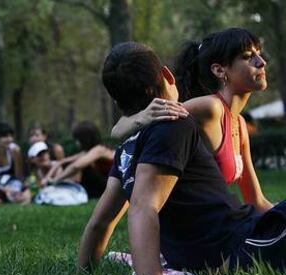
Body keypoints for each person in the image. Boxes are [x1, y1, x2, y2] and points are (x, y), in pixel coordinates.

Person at [78, 41, 286, 275]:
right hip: (242, 244)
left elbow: (100, 223)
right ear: (167, 75)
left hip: (232, 244)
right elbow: (143, 207)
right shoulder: (175, 124)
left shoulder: (127, 149)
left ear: (117, 103)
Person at [111, 28, 272, 213]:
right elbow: (117, 131)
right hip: (195, 228)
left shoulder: (241, 125)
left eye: (259, 54)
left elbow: (256, 201)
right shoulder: (210, 108)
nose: (261, 62)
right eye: (247, 56)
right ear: (219, 70)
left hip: (220, 221)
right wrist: (144, 116)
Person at [50, 121, 114, 198]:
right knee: (79, 163)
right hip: (107, 183)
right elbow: (62, 162)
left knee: (85, 167)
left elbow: (75, 167)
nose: (76, 143)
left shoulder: (99, 149)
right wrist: (48, 178)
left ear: (84, 139)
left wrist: (56, 180)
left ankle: (78, 191)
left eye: (77, 140)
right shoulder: (89, 151)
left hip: (112, 185)